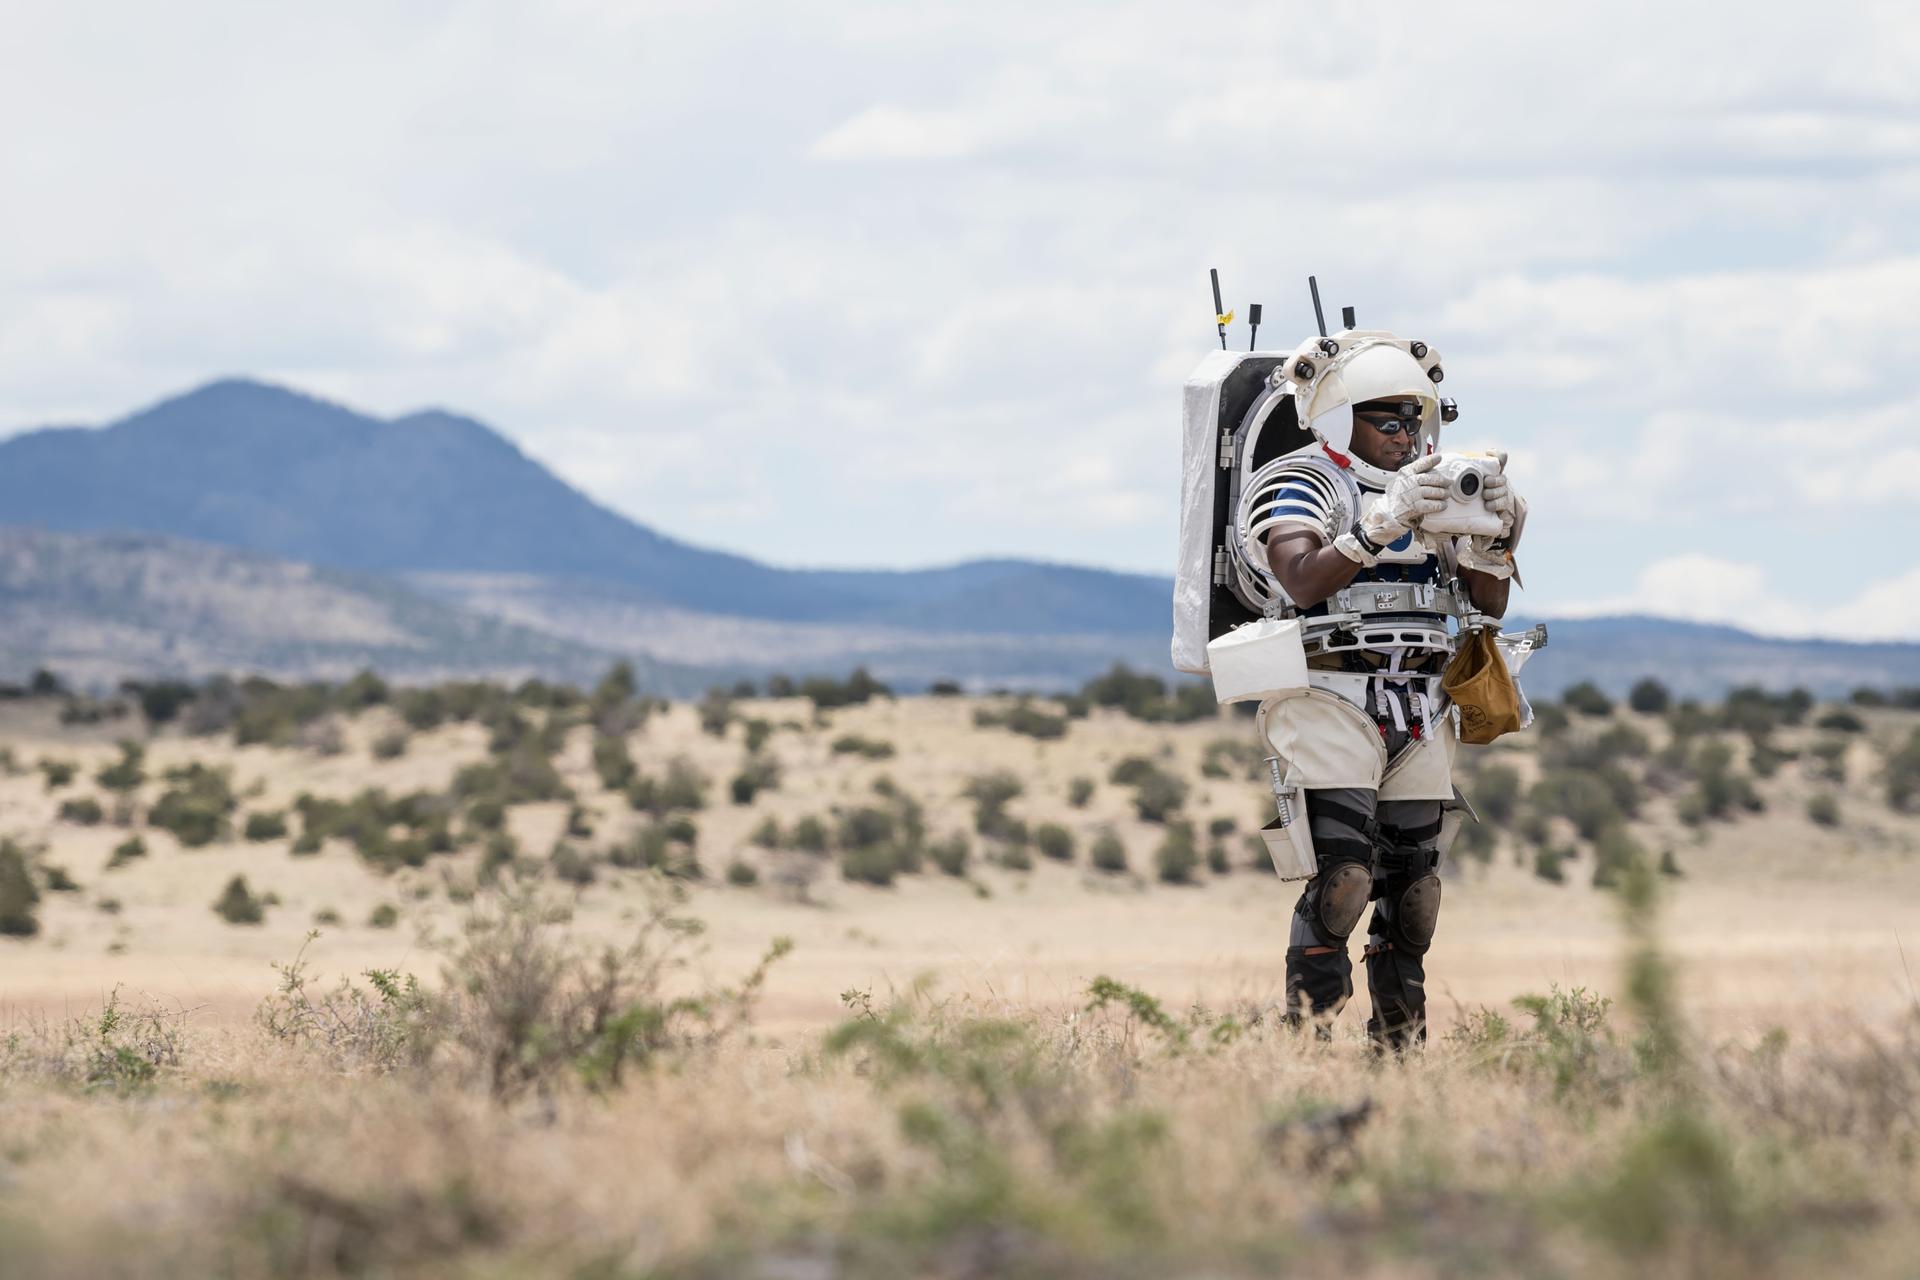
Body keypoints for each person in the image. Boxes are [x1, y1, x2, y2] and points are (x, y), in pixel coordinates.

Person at [1254, 344, 1522, 1050]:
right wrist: (1377, 525)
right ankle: (1305, 1040)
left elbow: (1486, 606)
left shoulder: (1434, 490)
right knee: (1342, 877)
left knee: (1415, 893)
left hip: (1420, 699)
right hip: (1330, 693)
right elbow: (1301, 578)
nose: (1406, 437)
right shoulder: (1301, 482)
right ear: (1340, 420)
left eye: (1415, 421)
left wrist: (1492, 539)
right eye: (1389, 422)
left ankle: (1398, 1052)